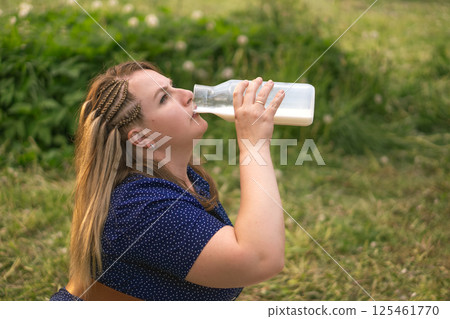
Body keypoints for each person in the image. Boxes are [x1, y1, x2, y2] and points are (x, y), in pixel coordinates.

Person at [50, 61, 285, 301]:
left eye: (172, 87)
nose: (187, 94)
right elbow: (260, 258)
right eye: (164, 98)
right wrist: (253, 144)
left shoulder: (185, 179)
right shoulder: (141, 207)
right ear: (142, 138)